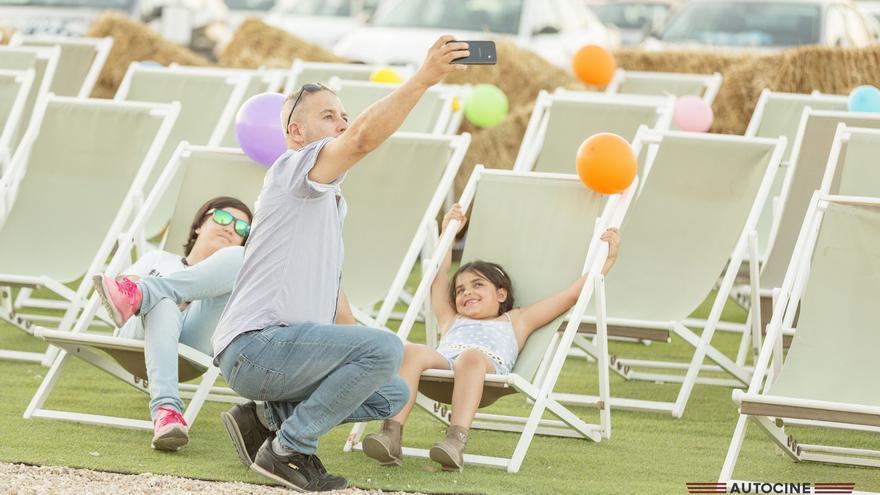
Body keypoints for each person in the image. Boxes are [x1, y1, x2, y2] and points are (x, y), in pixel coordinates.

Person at [202, 37, 472, 492]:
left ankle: (265, 418)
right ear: (296, 133)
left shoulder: (326, 204)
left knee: (392, 390)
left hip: (281, 354)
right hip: (256, 346)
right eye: (328, 116)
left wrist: (366, 350)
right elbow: (363, 139)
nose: (342, 124)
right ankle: (287, 449)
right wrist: (426, 76)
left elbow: (337, 303)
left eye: (343, 116)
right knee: (384, 348)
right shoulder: (294, 171)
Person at [362, 204, 621, 471]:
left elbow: (571, 295)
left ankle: (455, 441)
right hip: (442, 373)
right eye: (460, 290)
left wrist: (606, 261)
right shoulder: (452, 319)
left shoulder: (518, 320)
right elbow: (437, 275)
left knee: (471, 357)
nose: (466, 293)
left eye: (477, 285)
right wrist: (448, 234)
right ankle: (391, 433)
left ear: (501, 294)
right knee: (413, 350)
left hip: (487, 379)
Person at [93, 196, 252, 451]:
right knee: (163, 304)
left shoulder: (240, 268)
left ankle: (144, 293)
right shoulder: (158, 259)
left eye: (242, 228)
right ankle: (166, 410)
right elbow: (111, 300)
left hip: (193, 350)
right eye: (223, 218)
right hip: (135, 339)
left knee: (242, 258)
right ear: (200, 223)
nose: (231, 228)